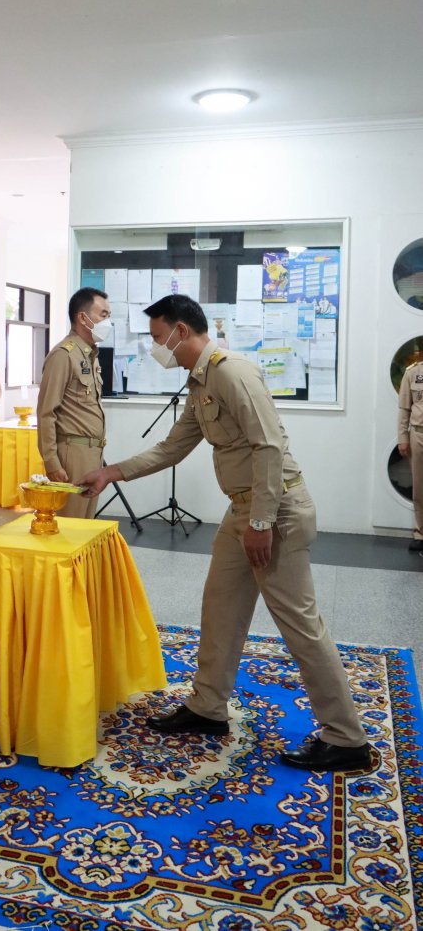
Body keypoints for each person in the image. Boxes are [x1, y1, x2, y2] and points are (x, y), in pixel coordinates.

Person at [81, 294, 370, 773]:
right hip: (242, 514)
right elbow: (173, 447)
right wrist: (113, 472)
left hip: (275, 514)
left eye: (157, 338)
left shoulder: (232, 371)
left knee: (300, 627)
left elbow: (270, 446)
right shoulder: (201, 382)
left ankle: (346, 738)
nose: (157, 349)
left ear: (180, 330)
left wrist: (260, 522)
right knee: (220, 608)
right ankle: (206, 708)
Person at [36, 287, 110, 518]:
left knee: (85, 527)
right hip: (71, 455)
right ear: (82, 317)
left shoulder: (89, 355)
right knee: (71, 525)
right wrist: (52, 462)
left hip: (93, 452)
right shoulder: (64, 355)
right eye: (104, 315)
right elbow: (46, 412)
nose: (108, 322)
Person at [398, 357, 423, 553]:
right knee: (420, 487)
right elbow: (404, 408)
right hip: (419, 434)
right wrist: (402, 437)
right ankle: (420, 533)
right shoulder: (413, 372)